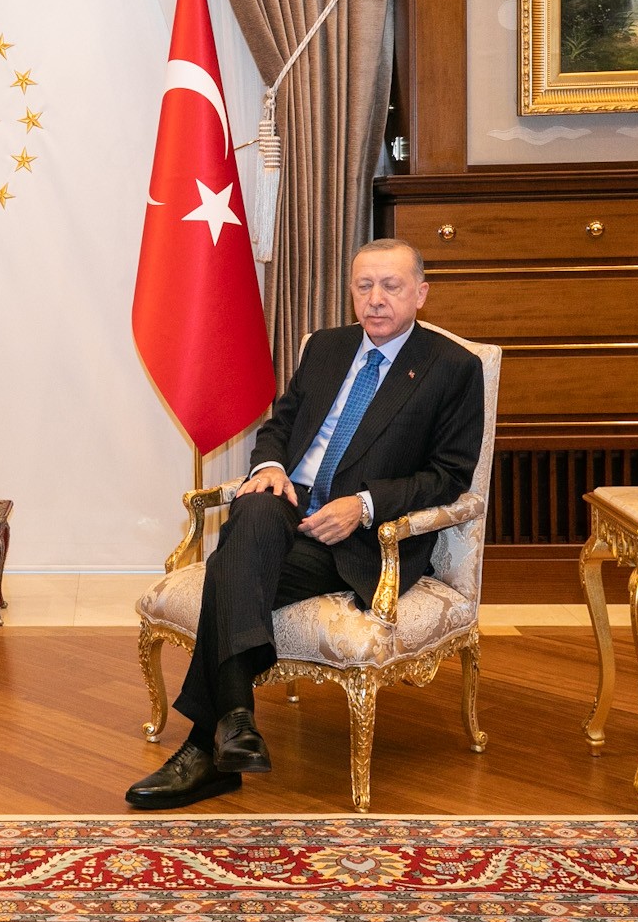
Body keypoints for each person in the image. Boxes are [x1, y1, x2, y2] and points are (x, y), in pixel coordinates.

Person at [125, 238, 484, 809]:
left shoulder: (453, 368)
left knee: (229, 569)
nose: (375, 299)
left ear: (420, 293)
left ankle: (207, 746)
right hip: (286, 507)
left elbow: (449, 475)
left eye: (391, 286)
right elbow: (281, 424)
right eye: (363, 286)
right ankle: (235, 721)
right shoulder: (326, 348)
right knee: (255, 507)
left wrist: (363, 504)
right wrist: (269, 466)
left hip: (358, 537)